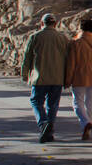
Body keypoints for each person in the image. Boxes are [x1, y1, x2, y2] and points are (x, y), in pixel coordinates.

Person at [20, 14, 69, 142]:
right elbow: (68, 58)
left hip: (39, 76)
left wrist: (24, 74)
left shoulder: (35, 37)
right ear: (56, 23)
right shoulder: (63, 38)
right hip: (57, 77)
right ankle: (49, 130)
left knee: (36, 101)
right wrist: (68, 77)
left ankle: (43, 123)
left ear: (42, 23)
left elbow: (27, 57)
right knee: (52, 105)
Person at [64, 18, 92, 140]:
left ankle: (85, 123)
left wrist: (67, 79)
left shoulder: (75, 43)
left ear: (81, 28)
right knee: (90, 102)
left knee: (77, 102)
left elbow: (71, 64)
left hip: (79, 76)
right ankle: (87, 125)